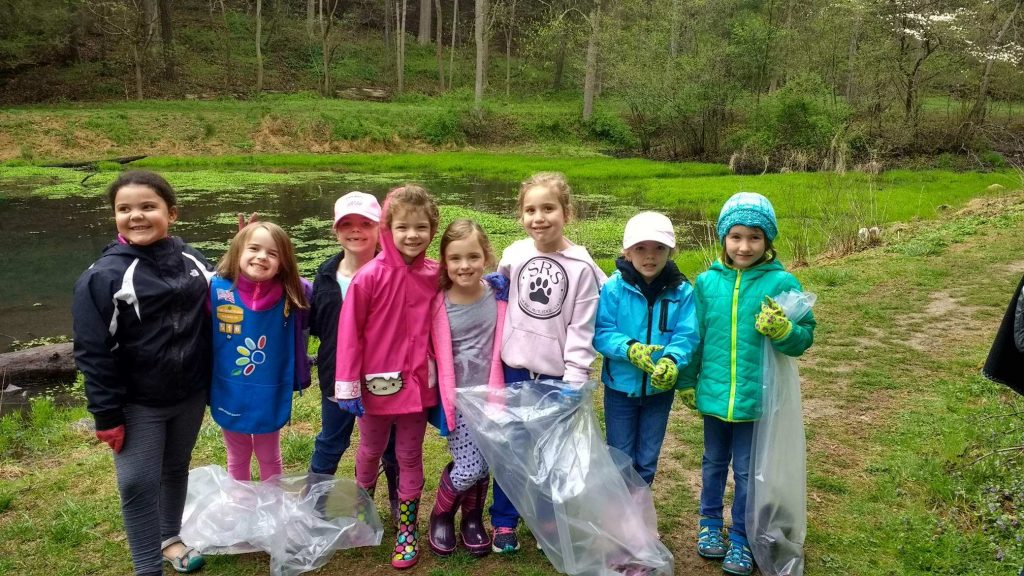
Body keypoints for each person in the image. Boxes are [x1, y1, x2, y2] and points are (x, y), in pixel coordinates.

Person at [73, 170, 212, 575]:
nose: (136, 216)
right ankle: (146, 567)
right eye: (124, 209)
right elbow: (91, 352)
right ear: (114, 217)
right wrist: (107, 415)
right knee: (137, 483)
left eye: (147, 207)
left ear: (171, 213)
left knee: (175, 468)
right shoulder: (102, 276)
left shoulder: (193, 260)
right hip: (136, 403)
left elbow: (229, 295)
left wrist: (245, 248)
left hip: (189, 393)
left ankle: (170, 540)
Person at [683, 192, 815, 576]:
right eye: (736, 236)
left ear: (768, 241)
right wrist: (688, 382)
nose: (744, 246)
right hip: (714, 396)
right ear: (724, 237)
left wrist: (784, 329)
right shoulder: (706, 283)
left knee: (746, 472)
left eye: (754, 237)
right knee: (711, 464)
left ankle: (742, 535)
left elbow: (804, 337)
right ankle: (709, 523)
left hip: (757, 400)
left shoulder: (782, 281)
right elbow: (695, 335)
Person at [491, 171, 607, 553]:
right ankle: (504, 521)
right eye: (530, 210)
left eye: (548, 209)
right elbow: (501, 297)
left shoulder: (581, 266)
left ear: (566, 213)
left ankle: (546, 521)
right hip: (514, 369)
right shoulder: (514, 254)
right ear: (521, 216)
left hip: (557, 377)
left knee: (552, 453)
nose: (538, 218)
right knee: (512, 445)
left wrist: (575, 379)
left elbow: (581, 325)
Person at [334, 185, 440, 569]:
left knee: (410, 455)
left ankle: (407, 529)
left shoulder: (436, 274)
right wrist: (346, 385)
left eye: (421, 227)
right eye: (403, 227)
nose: (412, 235)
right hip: (374, 389)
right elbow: (349, 334)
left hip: (416, 389)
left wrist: (491, 289)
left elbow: (464, 294)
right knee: (369, 451)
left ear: (432, 230)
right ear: (387, 230)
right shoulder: (369, 277)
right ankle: (362, 516)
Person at [308, 192, 400, 518]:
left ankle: (397, 502)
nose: (356, 230)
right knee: (330, 442)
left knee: (390, 447)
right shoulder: (324, 276)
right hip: (337, 379)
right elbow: (317, 325)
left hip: (385, 380)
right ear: (336, 230)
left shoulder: (394, 272)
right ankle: (314, 508)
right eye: (347, 224)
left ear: (380, 229)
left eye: (365, 223)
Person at [594, 211, 699, 485]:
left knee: (648, 456)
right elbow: (602, 332)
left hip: (659, 389)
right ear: (627, 251)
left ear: (671, 251)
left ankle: (639, 514)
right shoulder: (613, 288)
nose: (649, 256)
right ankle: (619, 516)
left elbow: (687, 334)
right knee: (620, 454)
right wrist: (628, 348)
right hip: (620, 388)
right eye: (640, 248)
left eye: (659, 248)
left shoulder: (682, 292)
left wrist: (672, 361)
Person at [427, 219, 508, 558]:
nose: (465, 266)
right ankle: (441, 513)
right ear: (444, 261)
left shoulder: (499, 296)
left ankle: (472, 518)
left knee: (485, 462)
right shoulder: (436, 304)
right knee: (469, 465)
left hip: (491, 395)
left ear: (486, 256)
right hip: (456, 400)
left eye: (473, 257)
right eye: (455, 258)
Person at [209, 221, 311, 482]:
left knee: (268, 454)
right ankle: (241, 505)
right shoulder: (216, 289)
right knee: (238, 453)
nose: (262, 257)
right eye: (253, 248)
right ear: (238, 250)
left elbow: (333, 290)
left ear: (283, 262)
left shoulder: (292, 292)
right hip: (230, 388)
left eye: (272, 253)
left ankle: (272, 507)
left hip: (270, 388)